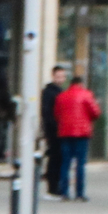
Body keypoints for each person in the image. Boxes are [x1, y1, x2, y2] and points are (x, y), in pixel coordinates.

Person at [53, 74, 100, 201]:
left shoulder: (61, 96)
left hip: (65, 132)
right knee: (80, 164)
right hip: (82, 133)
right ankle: (79, 193)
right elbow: (95, 112)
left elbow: (57, 114)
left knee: (65, 164)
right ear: (81, 84)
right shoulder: (86, 95)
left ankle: (64, 192)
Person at [39, 65, 67, 198]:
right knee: (55, 159)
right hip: (53, 130)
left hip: (59, 129)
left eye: (62, 76)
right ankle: (53, 187)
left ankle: (56, 186)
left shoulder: (60, 91)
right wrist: (52, 128)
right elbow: (47, 113)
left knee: (57, 159)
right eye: (58, 76)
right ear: (53, 76)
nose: (60, 79)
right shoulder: (49, 92)